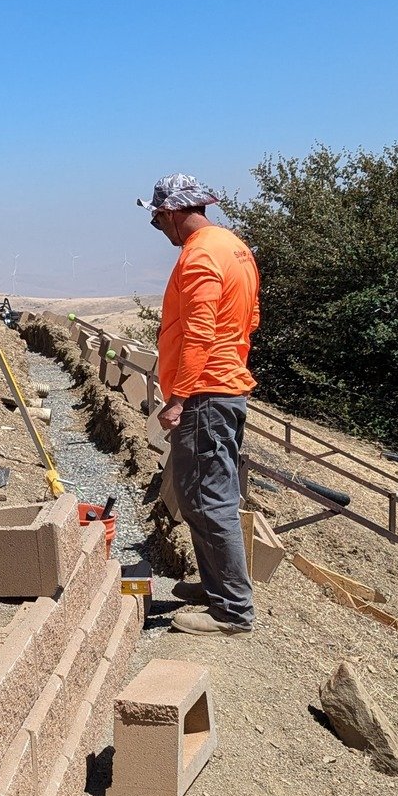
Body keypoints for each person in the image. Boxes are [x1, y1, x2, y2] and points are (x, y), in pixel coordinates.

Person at [139, 172, 260, 634]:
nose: (159, 231)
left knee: (209, 500)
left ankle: (232, 610)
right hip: (222, 386)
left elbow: (198, 334)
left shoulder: (200, 256)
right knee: (200, 495)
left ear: (170, 212)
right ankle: (216, 588)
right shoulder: (234, 247)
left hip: (206, 394)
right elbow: (249, 318)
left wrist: (179, 398)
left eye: (156, 221)